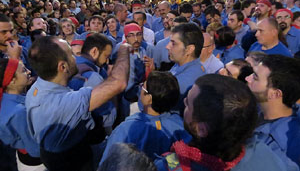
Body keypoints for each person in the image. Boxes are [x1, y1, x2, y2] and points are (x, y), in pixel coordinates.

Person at [25, 36, 130, 171]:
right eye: (71, 54)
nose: (76, 58)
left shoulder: (37, 87)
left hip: (52, 154)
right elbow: (118, 83)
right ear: (63, 66)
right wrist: (123, 49)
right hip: (73, 160)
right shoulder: (65, 104)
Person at [155, 74, 290, 171]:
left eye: (189, 104)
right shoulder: (264, 151)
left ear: (201, 129)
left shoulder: (170, 165)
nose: (184, 102)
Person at [100, 71, 190, 163]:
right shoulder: (181, 125)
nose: (140, 89)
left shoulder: (127, 129)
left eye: (143, 87)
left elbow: (107, 163)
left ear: (149, 98)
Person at [246, 54, 300, 168]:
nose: (247, 78)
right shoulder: (256, 108)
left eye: (255, 77)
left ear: (275, 94)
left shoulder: (278, 147)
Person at [0, 58, 46, 171]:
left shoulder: (9, 99)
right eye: (23, 70)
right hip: (35, 163)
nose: (29, 71)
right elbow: (34, 149)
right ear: (12, 81)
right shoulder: (18, 112)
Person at [166, 23, 205, 115]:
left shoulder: (183, 82)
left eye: (173, 43)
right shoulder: (181, 64)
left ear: (189, 49)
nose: (167, 46)